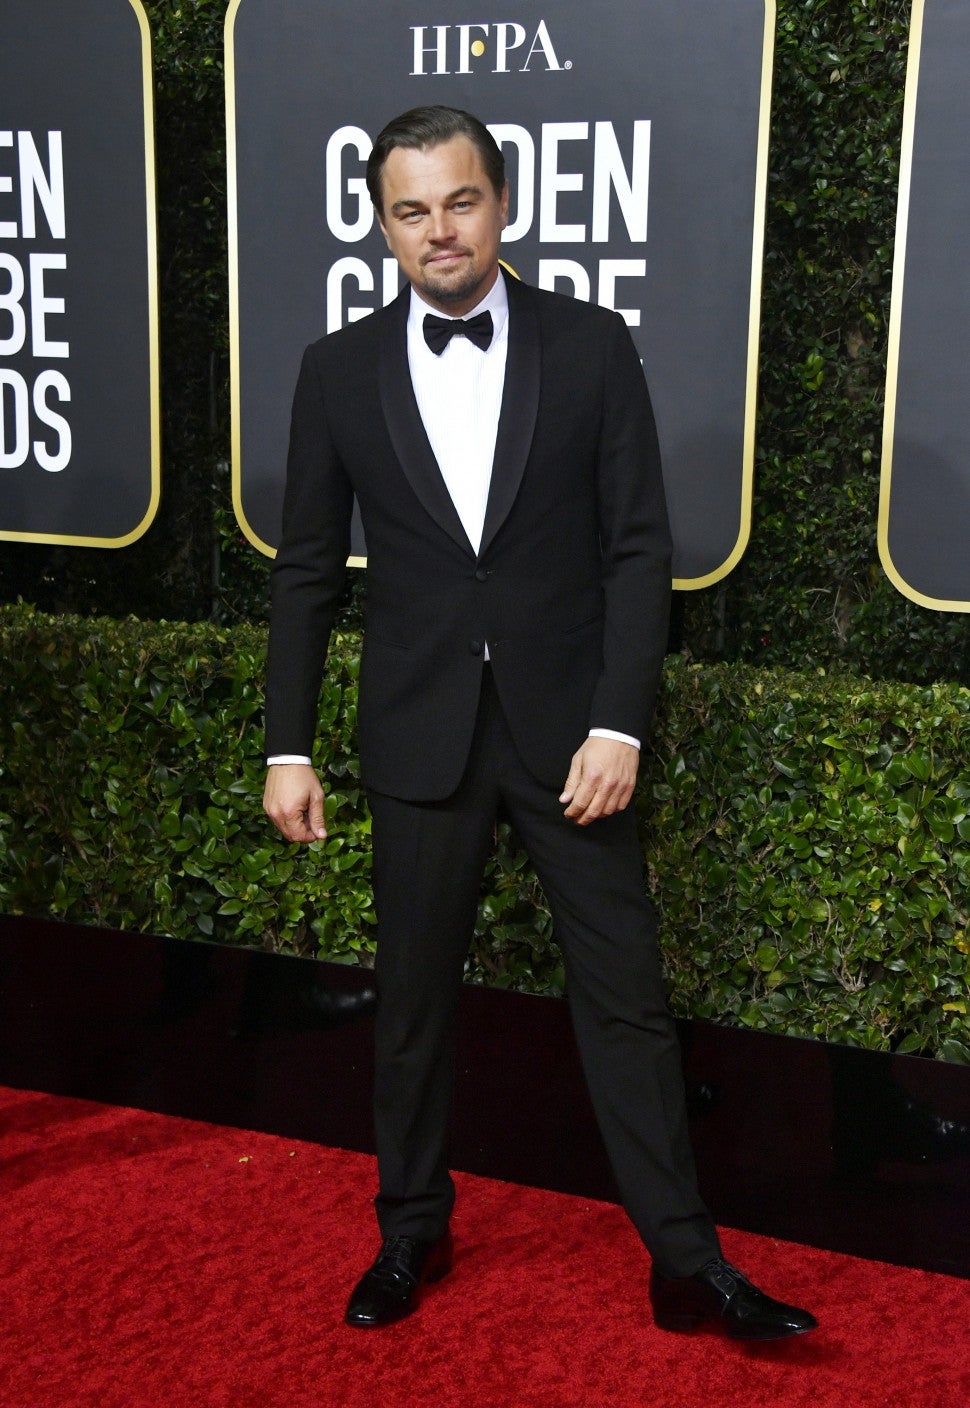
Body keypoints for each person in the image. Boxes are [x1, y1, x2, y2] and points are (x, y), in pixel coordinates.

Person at [262, 105, 816, 1341]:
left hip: (570, 739)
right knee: (411, 1007)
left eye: (458, 202)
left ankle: (685, 1262)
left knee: (627, 1001)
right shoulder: (336, 368)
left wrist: (620, 724)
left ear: (501, 203)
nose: (438, 231)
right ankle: (410, 1229)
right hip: (419, 737)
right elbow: (305, 571)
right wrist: (286, 744)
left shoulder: (589, 344)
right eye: (410, 210)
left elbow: (637, 551)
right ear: (383, 226)